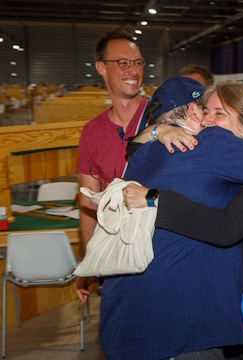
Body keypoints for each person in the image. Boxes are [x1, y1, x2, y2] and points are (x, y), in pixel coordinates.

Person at [98, 78, 243, 360]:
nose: (209, 121)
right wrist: (159, 130)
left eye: (219, 113)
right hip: (225, 316)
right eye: (206, 111)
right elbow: (134, 148)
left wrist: (155, 197)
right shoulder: (192, 151)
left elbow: (226, 227)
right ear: (193, 112)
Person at [76, 27, 149, 299]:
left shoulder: (163, 119)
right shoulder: (91, 132)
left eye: (138, 62)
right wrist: (91, 261)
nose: (133, 70)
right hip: (116, 259)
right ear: (101, 68)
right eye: (122, 63)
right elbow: (88, 203)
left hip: (164, 252)